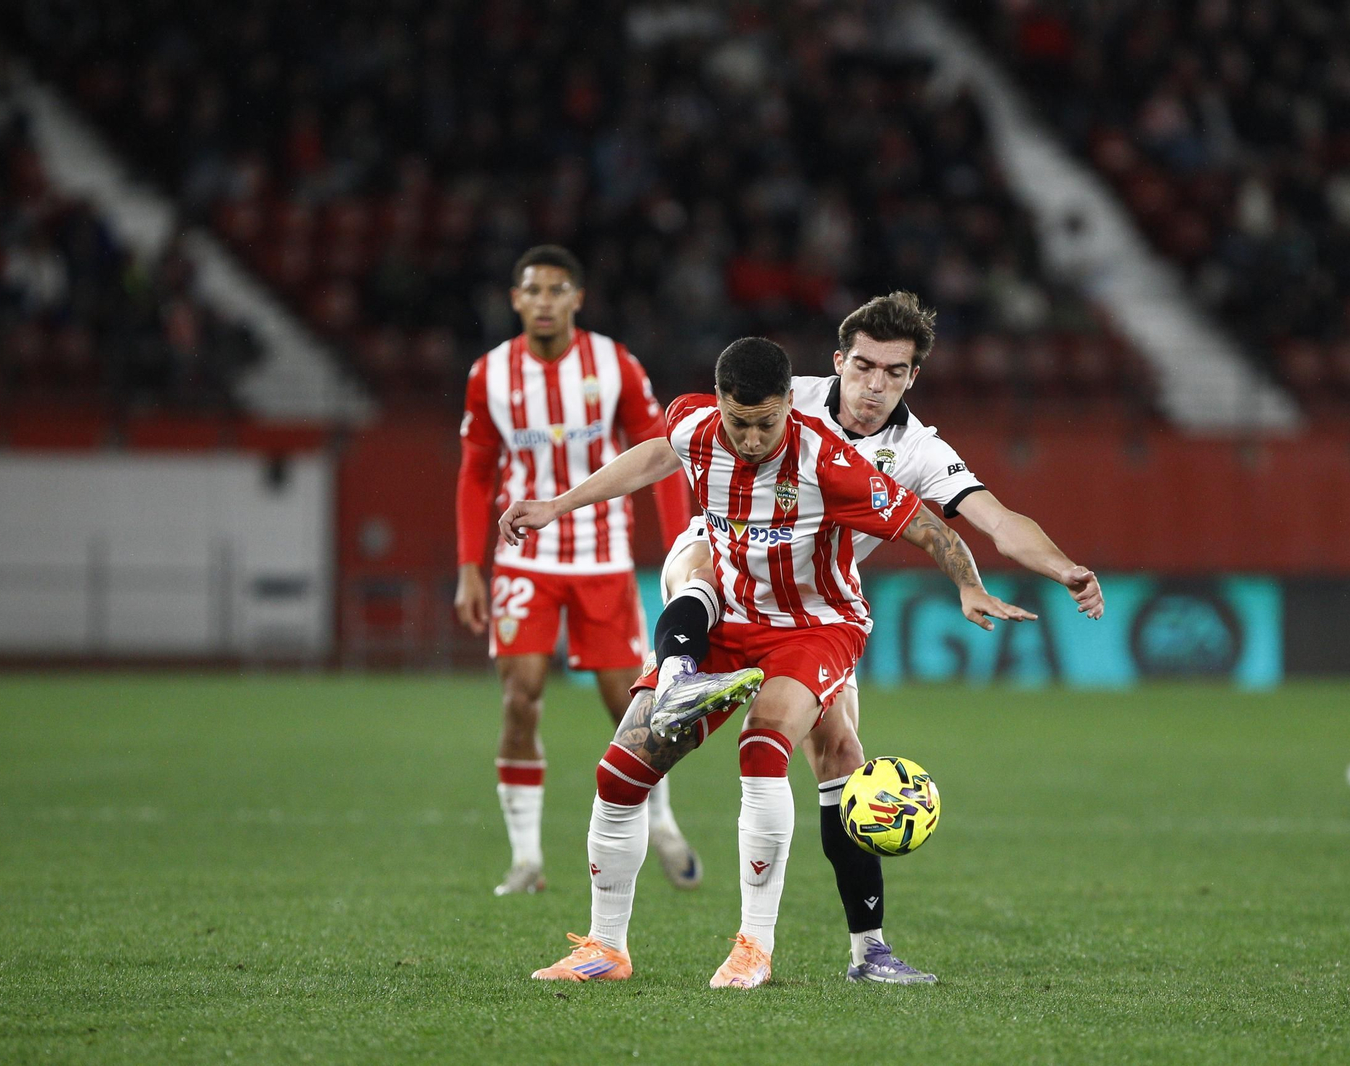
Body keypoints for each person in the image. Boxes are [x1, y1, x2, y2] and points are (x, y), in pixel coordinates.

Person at [500, 336, 1035, 987]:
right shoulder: (695, 425)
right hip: (730, 618)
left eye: (766, 423)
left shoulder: (827, 460)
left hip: (814, 628)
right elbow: (649, 459)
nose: (751, 438)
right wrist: (558, 505)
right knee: (618, 775)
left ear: (790, 404)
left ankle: (754, 947)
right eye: (738, 422)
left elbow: (927, 523)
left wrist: (968, 582)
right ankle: (605, 948)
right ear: (719, 403)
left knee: (764, 745)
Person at [647, 291, 1105, 982]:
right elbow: (683, 432)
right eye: (864, 367)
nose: (875, 385)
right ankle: (678, 674)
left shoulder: (918, 450)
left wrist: (1064, 565)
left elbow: (997, 518)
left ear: (913, 376)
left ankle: (870, 952)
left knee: (841, 758)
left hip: (814, 612)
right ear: (838, 361)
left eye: (894, 372)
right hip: (731, 569)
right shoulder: (784, 397)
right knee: (697, 565)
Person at [454, 245, 697, 897]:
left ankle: (664, 823)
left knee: (630, 705)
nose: (543, 301)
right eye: (532, 290)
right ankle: (527, 858)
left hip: (601, 558)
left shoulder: (614, 366)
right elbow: (477, 472)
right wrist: (468, 568)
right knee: (520, 696)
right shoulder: (490, 375)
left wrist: (681, 547)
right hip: (523, 560)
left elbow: (664, 455)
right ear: (515, 299)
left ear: (577, 299)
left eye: (557, 290)